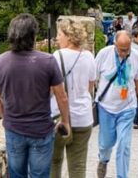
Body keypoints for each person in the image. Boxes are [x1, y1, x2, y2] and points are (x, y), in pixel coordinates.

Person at [0, 14, 71, 178]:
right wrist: (65, 121)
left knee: (17, 173)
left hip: (14, 130)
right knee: (39, 174)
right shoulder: (48, 61)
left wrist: (7, 117)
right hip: (41, 130)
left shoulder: (1, 61)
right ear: (33, 36)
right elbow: (62, 97)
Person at [95, 31, 138, 178]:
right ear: (114, 45)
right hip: (106, 107)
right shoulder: (104, 54)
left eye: (127, 48)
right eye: (121, 49)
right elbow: (93, 79)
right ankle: (103, 160)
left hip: (127, 107)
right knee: (106, 144)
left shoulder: (136, 56)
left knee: (124, 145)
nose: (125, 53)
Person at [49, 19, 96, 178]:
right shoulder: (89, 56)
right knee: (78, 165)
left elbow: (51, 90)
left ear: (69, 36)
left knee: (54, 162)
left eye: (60, 34)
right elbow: (90, 87)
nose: (57, 38)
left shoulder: (57, 56)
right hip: (83, 117)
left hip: (60, 118)